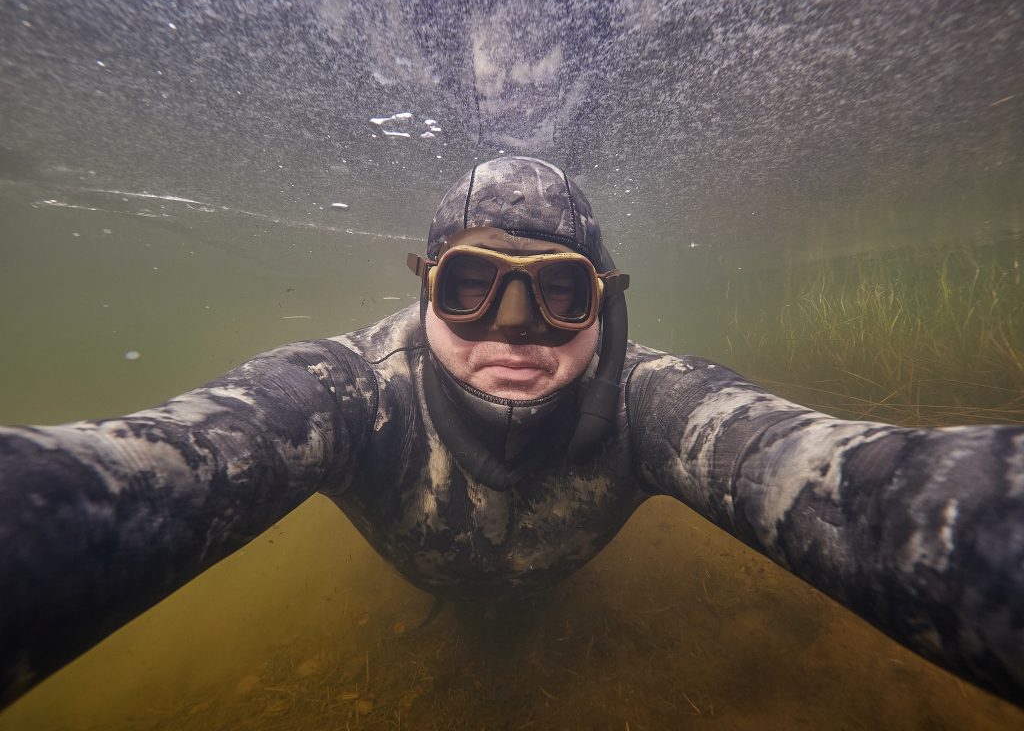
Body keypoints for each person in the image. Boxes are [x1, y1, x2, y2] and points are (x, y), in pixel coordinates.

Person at [1, 156, 1022, 710]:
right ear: (427, 289)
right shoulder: (340, 389)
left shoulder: (652, 403)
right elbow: (144, 473)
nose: (514, 330)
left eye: (559, 292)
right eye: (474, 285)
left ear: (605, 303)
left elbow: (878, 495)